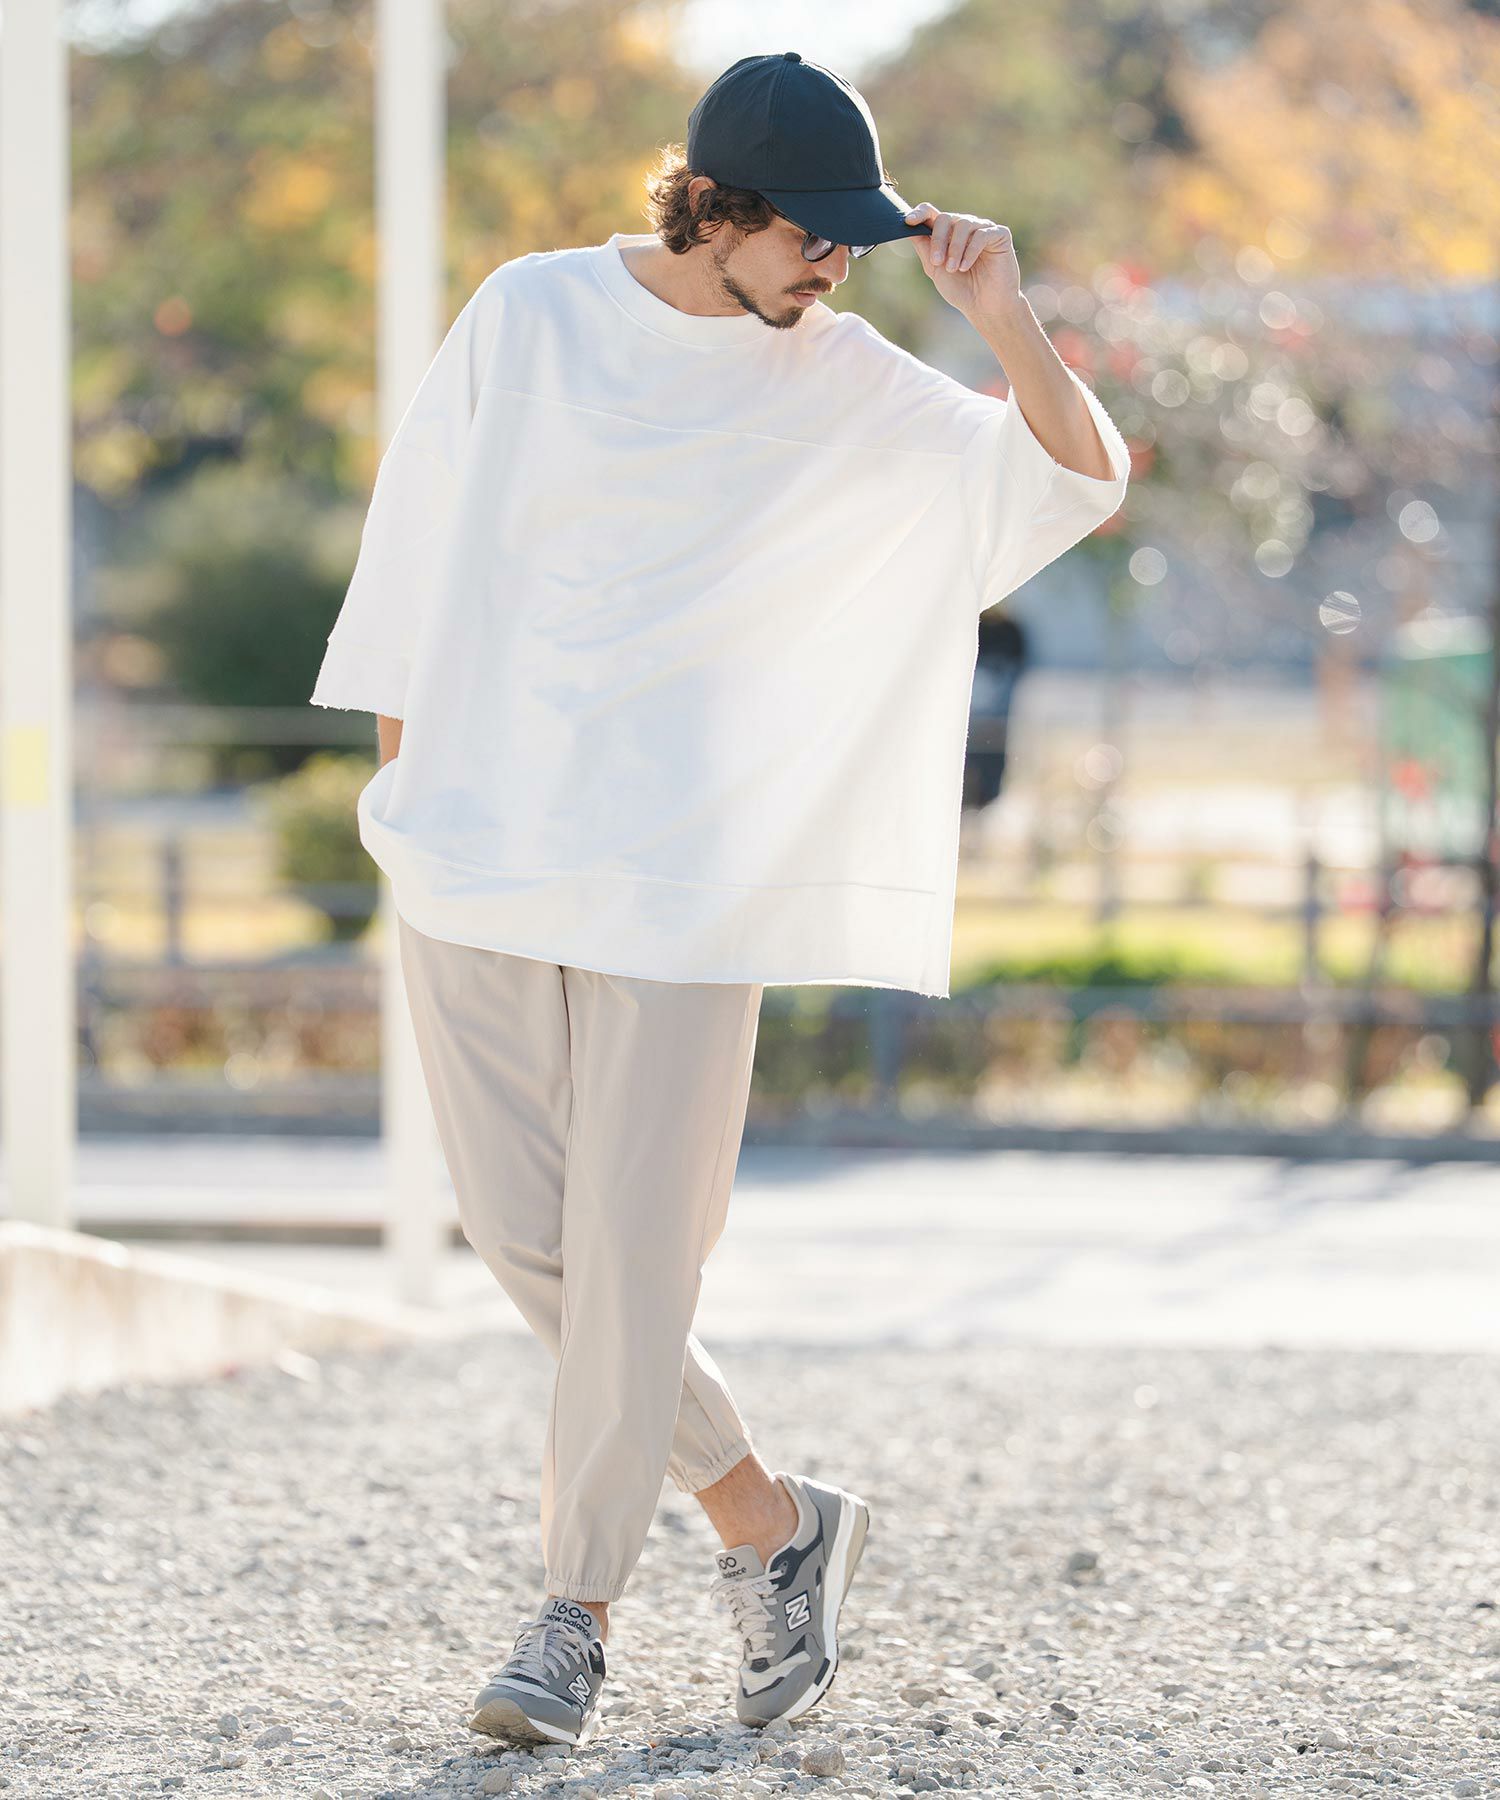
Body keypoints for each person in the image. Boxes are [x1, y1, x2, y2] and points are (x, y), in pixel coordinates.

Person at [309, 49, 1130, 1751]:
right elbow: (413, 544)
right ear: (718, 207)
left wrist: (1000, 316)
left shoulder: (842, 376)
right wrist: (402, 797)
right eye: (810, 235)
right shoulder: (531, 313)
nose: (833, 266)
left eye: (851, 242)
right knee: (529, 1240)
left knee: (628, 1251)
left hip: (695, 875)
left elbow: (1077, 476)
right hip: (477, 841)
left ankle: (573, 1617)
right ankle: (771, 1522)